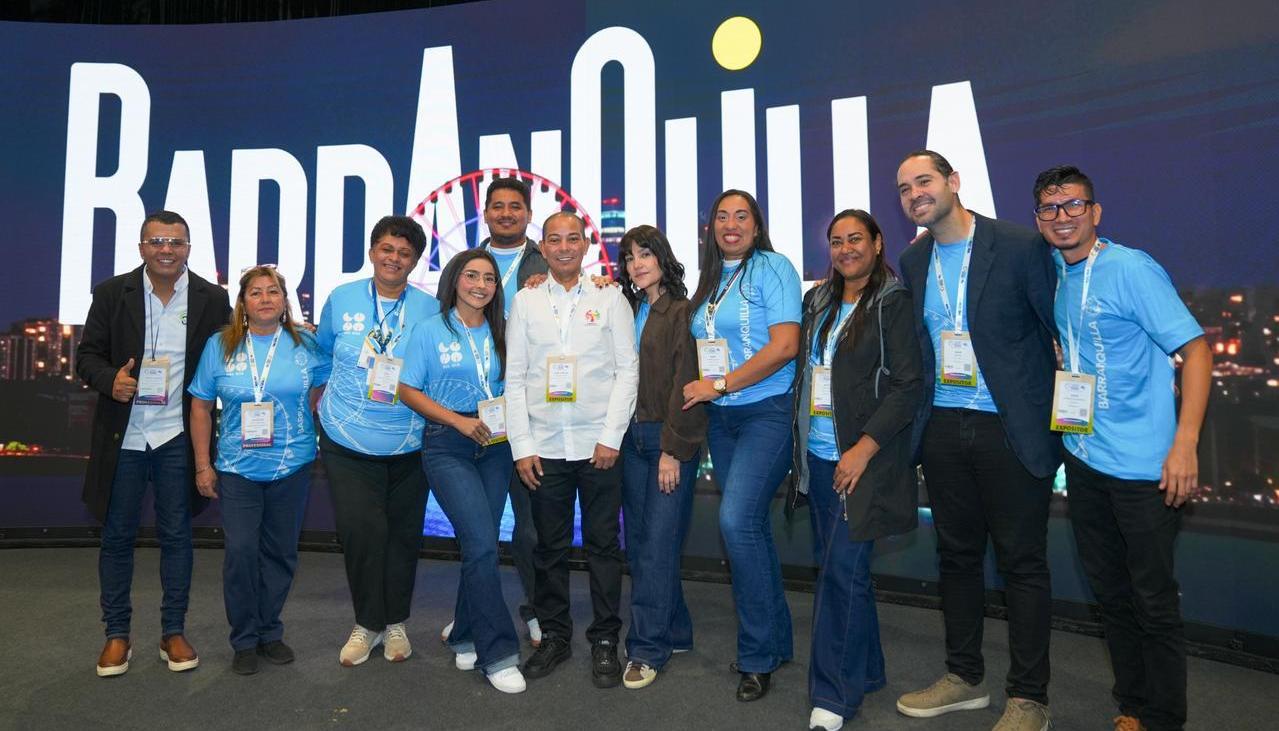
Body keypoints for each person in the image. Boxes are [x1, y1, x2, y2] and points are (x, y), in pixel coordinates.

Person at [1034, 165, 1210, 731]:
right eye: (1050, 208)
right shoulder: (1055, 273)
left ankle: (1164, 719)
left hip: (1145, 468)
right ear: (1039, 220)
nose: (1063, 217)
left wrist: (1184, 444)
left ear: (1096, 211)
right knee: (1111, 594)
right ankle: (1133, 705)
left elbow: (1198, 352)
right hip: (1085, 460)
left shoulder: (1130, 268)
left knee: (1153, 600)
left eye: (1073, 205)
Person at [893, 150, 1059, 731]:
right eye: (905, 187)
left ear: (953, 183)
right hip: (941, 428)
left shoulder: (1017, 245)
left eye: (925, 181)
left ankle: (1030, 697)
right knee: (957, 558)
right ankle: (963, 676)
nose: (915, 193)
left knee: (1022, 564)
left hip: (1009, 430)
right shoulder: (912, 263)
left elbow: (1054, 333)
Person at [76, 210, 231, 677]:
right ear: (141, 246)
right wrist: (110, 381)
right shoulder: (110, 293)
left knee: (178, 537)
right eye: (157, 240)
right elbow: (86, 356)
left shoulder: (212, 298)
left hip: (177, 438)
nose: (167, 249)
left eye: (176, 242)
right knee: (117, 537)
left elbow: (225, 359)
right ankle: (116, 635)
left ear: (189, 248)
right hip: (124, 435)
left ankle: (173, 632)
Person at [788, 210, 924, 730]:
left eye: (855, 239)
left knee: (842, 574)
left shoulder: (893, 302)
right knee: (843, 571)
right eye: (837, 241)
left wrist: (863, 449)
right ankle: (866, 671)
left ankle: (835, 695)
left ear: (877, 242)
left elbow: (908, 387)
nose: (846, 249)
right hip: (819, 458)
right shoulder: (817, 301)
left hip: (859, 461)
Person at [506, 211, 638, 688]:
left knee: (604, 547)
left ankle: (605, 639)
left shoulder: (610, 297)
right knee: (549, 549)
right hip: (544, 447)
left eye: (573, 239)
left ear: (586, 245)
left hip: (597, 446)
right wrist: (522, 446)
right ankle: (556, 637)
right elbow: (516, 376)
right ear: (542, 246)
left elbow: (628, 370)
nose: (564, 247)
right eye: (554, 240)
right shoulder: (525, 301)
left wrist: (610, 437)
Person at [681, 189, 801, 702]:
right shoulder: (710, 281)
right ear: (711, 228)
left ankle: (756, 656)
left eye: (741, 215)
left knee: (734, 522)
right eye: (721, 216)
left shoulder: (773, 267)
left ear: (757, 224)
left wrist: (722, 385)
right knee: (749, 528)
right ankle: (775, 642)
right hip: (723, 422)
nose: (731, 224)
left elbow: (785, 345)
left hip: (766, 413)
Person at [188, 266, 330, 675]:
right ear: (243, 303)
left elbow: (325, 384)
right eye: (256, 292)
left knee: (280, 553)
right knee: (241, 552)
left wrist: (308, 416)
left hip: (293, 465)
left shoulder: (305, 343)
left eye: (273, 292)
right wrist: (203, 465)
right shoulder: (221, 345)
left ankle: (270, 631)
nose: (266, 298)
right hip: (236, 469)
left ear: (284, 301)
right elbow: (200, 405)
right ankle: (244, 638)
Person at [398, 249, 527, 694]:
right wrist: (457, 421)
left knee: (482, 545)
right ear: (455, 281)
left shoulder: (504, 330)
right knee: (481, 543)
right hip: (448, 443)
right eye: (471, 275)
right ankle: (499, 653)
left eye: (489, 278)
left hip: (496, 444)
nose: (481, 284)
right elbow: (406, 388)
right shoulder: (429, 331)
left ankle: (465, 633)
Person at [315, 215, 440, 667]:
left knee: (403, 537)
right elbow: (322, 356)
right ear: (372, 252)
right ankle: (367, 623)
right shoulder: (342, 298)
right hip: (346, 438)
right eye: (387, 249)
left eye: (404, 253)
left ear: (414, 261)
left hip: (410, 442)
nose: (394, 258)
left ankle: (396, 623)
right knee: (362, 532)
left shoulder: (429, 308)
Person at [438, 176, 549, 649]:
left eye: (515, 207)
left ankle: (538, 610)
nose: (506, 213)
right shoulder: (464, 265)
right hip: (471, 419)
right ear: (485, 212)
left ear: (528, 213)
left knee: (531, 529)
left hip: (527, 412)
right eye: (498, 206)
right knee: (478, 530)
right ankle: (472, 614)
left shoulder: (548, 260)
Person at [614, 225, 707, 689]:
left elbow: (685, 383)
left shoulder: (682, 312)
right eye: (629, 257)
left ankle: (647, 649)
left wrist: (672, 448)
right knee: (648, 544)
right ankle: (676, 629)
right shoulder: (629, 307)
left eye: (645, 253)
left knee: (654, 546)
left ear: (662, 257)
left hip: (667, 441)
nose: (637, 263)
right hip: (630, 440)